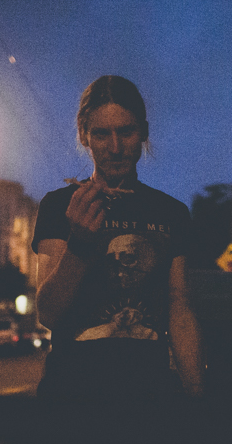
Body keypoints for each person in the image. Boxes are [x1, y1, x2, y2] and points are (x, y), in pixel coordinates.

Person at [31, 75, 204, 402]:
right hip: (71, 397)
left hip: (149, 397)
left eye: (126, 132)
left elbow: (180, 310)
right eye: (101, 134)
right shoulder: (60, 206)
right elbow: (49, 313)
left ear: (144, 133)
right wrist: (80, 244)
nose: (115, 147)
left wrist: (196, 394)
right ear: (84, 135)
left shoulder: (171, 213)